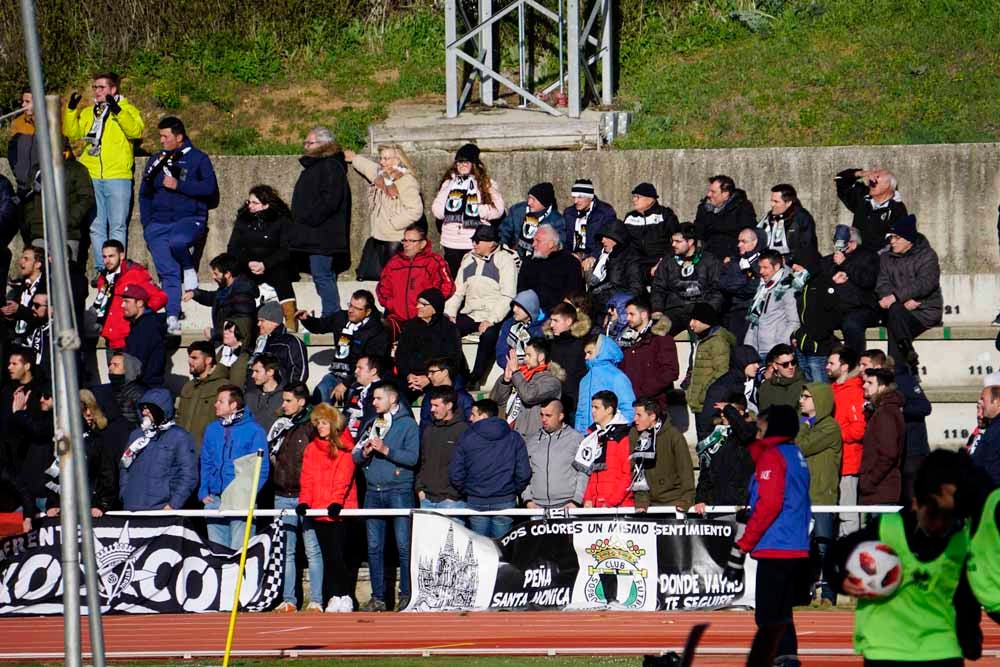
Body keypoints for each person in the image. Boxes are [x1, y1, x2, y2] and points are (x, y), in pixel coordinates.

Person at [827, 450, 983, 666]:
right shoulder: (886, 527)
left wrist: (970, 639)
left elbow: (966, 597)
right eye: (934, 513)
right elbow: (836, 553)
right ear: (916, 503)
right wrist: (840, 580)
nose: (941, 523)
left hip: (941, 650)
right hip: (885, 649)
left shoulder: (961, 540)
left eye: (950, 516)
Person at [734, 404, 811, 667]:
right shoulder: (794, 454)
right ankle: (786, 657)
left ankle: (775, 659)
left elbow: (769, 505)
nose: (759, 429)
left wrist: (744, 544)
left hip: (777, 543)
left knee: (767, 613)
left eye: (763, 425)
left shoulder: (774, 456)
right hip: (794, 542)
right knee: (781, 611)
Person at [139, 116, 218, 335]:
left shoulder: (198, 159)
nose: (161, 141)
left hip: (188, 220)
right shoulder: (156, 159)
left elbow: (210, 189)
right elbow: (145, 194)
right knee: (168, 274)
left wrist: (180, 185)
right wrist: (148, 225)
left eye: (165, 136)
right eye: (160, 136)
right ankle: (172, 315)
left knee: (178, 242)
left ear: (179, 137)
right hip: (158, 225)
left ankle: (188, 266)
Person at [63, 72, 145, 273]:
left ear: (113, 89)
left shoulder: (128, 109)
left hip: (117, 175)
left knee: (117, 225)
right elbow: (73, 133)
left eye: (101, 87)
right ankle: (102, 268)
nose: (96, 91)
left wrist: (117, 110)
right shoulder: (91, 111)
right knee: (96, 226)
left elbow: (136, 131)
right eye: (95, 87)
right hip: (92, 174)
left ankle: (116, 268)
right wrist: (71, 110)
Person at [353, 382, 420, 611]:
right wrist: (364, 453)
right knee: (374, 547)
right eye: (372, 399)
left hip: (399, 490)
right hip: (373, 491)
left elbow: (412, 459)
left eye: (378, 398)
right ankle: (378, 597)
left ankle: (407, 595)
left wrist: (386, 450)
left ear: (393, 399)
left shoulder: (409, 425)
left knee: (404, 546)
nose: (373, 402)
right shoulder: (373, 423)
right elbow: (355, 457)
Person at [297, 403, 358, 613]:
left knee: (341, 555)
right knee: (328, 557)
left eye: (323, 423)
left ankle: (346, 595)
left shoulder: (345, 447)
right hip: (319, 511)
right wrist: (305, 501)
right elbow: (307, 478)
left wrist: (336, 502)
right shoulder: (311, 449)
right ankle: (333, 595)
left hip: (339, 511)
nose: (319, 427)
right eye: (317, 423)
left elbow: (344, 478)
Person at [268, 382, 320, 612]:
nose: (284, 405)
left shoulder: (313, 426)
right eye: (283, 400)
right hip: (282, 494)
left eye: (288, 400)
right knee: (286, 551)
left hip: (306, 496)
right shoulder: (282, 425)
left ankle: (317, 599)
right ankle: (289, 599)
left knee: (312, 549)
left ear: (301, 401)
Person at [288, 127, 351, 317]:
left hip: (323, 235)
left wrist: (309, 218)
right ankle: (330, 314)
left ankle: (331, 315)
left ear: (324, 144)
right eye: (305, 143)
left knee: (322, 275)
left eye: (310, 143)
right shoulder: (318, 165)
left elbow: (330, 200)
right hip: (315, 234)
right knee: (322, 275)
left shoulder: (330, 165)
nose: (306, 146)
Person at [200, 385, 269, 550]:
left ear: (233, 405)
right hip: (214, 499)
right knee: (218, 553)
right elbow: (206, 462)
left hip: (241, 501)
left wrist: (248, 495)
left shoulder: (254, 431)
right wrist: (203, 490)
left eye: (220, 401)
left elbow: (262, 467)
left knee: (239, 553)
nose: (215, 404)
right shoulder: (212, 429)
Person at [450, 399, 531, 537]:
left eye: (473, 414)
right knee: (502, 548)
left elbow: (456, 473)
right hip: (505, 500)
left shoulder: (466, 437)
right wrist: (511, 490)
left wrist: (469, 491)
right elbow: (523, 472)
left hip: (477, 500)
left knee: (480, 549)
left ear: (483, 416)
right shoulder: (514, 437)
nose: (470, 418)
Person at [861, 349, 932, 504]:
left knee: (911, 501)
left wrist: (898, 409)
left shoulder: (903, 380)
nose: (861, 369)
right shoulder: (877, 399)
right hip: (899, 451)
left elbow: (925, 407)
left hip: (913, 450)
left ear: (878, 366)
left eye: (864, 365)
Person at [344, 144, 424, 280]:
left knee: (394, 278)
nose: (382, 162)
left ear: (397, 160)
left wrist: (393, 223)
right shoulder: (383, 176)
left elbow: (415, 211)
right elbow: (369, 168)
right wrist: (354, 158)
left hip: (395, 239)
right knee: (384, 279)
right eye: (381, 158)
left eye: (386, 159)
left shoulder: (406, 180)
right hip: (380, 236)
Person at [876, 214, 942, 373]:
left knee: (894, 322)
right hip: (898, 310)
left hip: (924, 310)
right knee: (895, 315)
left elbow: (926, 283)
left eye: (896, 237)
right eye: (891, 237)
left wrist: (896, 297)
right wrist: (899, 302)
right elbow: (882, 284)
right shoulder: (886, 257)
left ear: (909, 239)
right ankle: (906, 358)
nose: (892, 241)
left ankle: (896, 373)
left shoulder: (927, 255)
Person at [298, 290, 389, 406]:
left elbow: (372, 363)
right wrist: (306, 319)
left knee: (354, 402)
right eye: (350, 305)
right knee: (319, 393)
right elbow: (320, 326)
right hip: (336, 374)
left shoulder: (377, 331)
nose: (351, 310)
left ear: (368, 312)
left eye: (357, 308)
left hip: (359, 378)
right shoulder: (341, 317)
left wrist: (346, 384)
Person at [797, 383, 842, 607]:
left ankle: (828, 595)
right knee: (803, 548)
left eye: (806, 397)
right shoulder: (804, 424)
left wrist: (803, 427)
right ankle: (804, 593)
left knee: (825, 548)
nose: (801, 400)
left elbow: (800, 446)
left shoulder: (830, 428)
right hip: (804, 498)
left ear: (820, 401)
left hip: (822, 497)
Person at [227, 185, 297, 326]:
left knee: (281, 277)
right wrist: (248, 263)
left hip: (273, 265)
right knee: (240, 282)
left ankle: (291, 319)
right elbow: (233, 248)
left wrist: (265, 264)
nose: (250, 206)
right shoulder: (243, 220)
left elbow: (286, 250)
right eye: (249, 202)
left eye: (255, 203)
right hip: (248, 266)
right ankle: (241, 322)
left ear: (266, 205)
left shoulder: (281, 221)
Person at [431, 143, 506, 277]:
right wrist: (453, 208)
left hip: (473, 241)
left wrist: (474, 210)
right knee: (454, 279)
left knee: (473, 277)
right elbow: (437, 209)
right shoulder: (449, 183)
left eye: (466, 162)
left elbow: (498, 210)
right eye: (459, 162)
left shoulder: (486, 183)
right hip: (451, 241)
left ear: (474, 163)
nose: (462, 165)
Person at [119, 388, 198, 511]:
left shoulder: (179, 436)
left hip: (161, 508)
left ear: (161, 409)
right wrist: (124, 493)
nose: (144, 412)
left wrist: (173, 504)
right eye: (143, 408)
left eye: (149, 408)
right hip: (132, 506)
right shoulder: (136, 436)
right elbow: (124, 466)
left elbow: (188, 474)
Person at [19, 138, 94, 261]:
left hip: (67, 233)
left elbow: (86, 198)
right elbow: (27, 198)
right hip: (40, 232)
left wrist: (69, 221)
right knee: (39, 272)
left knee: (67, 273)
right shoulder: (37, 170)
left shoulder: (77, 170)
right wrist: (32, 221)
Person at [376, 223, 455, 337]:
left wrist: (432, 306)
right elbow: (382, 287)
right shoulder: (394, 263)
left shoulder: (434, 261)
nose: (406, 245)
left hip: (422, 319)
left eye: (411, 241)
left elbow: (448, 286)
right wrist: (391, 304)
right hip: (397, 318)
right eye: (404, 240)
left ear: (422, 243)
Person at [90, 240, 167, 352]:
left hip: (130, 340)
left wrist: (141, 313)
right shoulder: (103, 278)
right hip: (110, 341)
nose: (107, 260)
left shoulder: (135, 273)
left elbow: (161, 297)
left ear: (121, 255)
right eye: (104, 257)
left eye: (111, 256)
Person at [445, 223, 519, 339]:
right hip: (470, 314)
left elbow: (508, 295)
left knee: (488, 336)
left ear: (490, 243)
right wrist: (449, 314)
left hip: (493, 315)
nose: (474, 244)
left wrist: (491, 320)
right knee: (447, 332)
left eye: (477, 241)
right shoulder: (468, 259)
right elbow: (457, 292)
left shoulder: (505, 259)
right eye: (473, 240)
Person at [651, 223, 723, 337]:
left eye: (678, 241)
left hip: (699, 310)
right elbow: (658, 287)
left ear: (690, 242)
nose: (673, 244)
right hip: (673, 311)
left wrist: (707, 313)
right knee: (656, 335)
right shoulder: (668, 260)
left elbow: (718, 290)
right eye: (672, 241)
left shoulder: (710, 260)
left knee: (706, 338)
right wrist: (657, 310)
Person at [395, 288, 465, 400]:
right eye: (418, 303)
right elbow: (401, 356)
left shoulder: (449, 329)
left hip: (437, 377)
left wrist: (429, 378)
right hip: (412, 378)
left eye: (423, 304)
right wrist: (408, 375)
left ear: (434, 308)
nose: (418, 307)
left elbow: (453, 359)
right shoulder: (410, 327)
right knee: (395, 395)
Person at [827, 346, 868, 536]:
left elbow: (858, 429)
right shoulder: (834, 389)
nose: (827, 366)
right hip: (834, 461)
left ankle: (850, 554)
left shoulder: (854, 391)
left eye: (831, 363)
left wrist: (833, 435)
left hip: (848, 463)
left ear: (844, 367)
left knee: (848, 513)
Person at [821, 225, 880, 355]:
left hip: (860, 308)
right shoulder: (828, 261)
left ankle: (855, 363)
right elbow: (819, 284)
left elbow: (868, 281)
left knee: (851, 325)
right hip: (835, 307)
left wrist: (845, 264)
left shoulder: (868, 257)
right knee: (816, 322)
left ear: (852, 242)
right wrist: (833, 281)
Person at [693, 391, 757, 509]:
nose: (723, 415)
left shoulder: (750, 432)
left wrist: (729, 409)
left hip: (740, 503)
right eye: (722, 411)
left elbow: (745, 432)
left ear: (740, 413)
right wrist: (700, 498)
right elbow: (705, 469)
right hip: (715, 503)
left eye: (727, 411)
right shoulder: (715, 436)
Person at [630, 398, 695, 511]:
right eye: (634, 415)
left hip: (673, 500)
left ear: (652, 416)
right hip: (648, 502)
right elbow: (637, 471)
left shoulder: (673, 435)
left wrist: (686, 501)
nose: (635, 419)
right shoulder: (634, 434)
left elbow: (685, 469)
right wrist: (641, 502)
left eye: (639, 415)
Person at [491, 337, 564, 439]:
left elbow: (529, 396)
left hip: (531, 440)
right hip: (506, 433)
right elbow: (495, 401)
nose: (525, 359)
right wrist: (506, 381)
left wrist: (516, 373)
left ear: (541, 357)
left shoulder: (551, 382)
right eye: (525, 355)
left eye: (529, 355)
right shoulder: (519, 374)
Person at [618, 296, 679, 415]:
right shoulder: (626, 340)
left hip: (653, 405)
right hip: (630, 403)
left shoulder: (661, 339)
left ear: (644, 314)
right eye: (627, 314)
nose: (627, 318)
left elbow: (670, 371)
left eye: (631, 314)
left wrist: (643, 391)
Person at [522, 399, 587, 509]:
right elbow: (524, 473)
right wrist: (528, 499)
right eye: (541, 415)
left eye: (548, 415)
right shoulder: (532, 440)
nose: (544, 419)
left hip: (567, 507)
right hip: (537, 508)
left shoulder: (576, 438)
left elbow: (583, 473)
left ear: (560, 416)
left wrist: (576, 501)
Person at [685, 303, 736, 440]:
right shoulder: (701, 340)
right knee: (702, 439)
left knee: (708, 439)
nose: (691, 324)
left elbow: (722, 372)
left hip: (709, 403)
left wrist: (705, 393)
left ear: (705, 320)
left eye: (695, 320)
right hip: (699, 403)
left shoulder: (717, 341)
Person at [76, 389, 131, 516]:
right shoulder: (68, 439)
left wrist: (102, 504)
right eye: (83, 409)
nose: (88, 413)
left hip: (98, 506)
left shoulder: (104, 437)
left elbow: (108, 474)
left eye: (91, 408)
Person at [184, 252, 259, 344]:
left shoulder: (242, 294)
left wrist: (214, 333)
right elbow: (213, 298)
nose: (213, 277)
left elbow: (241, 326)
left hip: (236, 347)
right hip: (224, 342)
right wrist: (195, 294)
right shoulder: (226, 289)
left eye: (216, 274)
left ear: (227, 274)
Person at [576, 391, 633, 508]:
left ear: (609, 410)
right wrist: (587, 498)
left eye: (596, 407)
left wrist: (610, 502)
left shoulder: (623, 435)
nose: (592, 411)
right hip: (597, 506)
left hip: (618, 507)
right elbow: (591, 473)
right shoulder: (593, 437)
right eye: (592, 407)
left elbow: (627, 474)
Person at [416, 386, 470, 510]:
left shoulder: (463, 431)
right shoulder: (429, 430)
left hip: (452, 502)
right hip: (426, 499)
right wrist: (420, 490)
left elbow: (469, 466)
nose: (431, 409)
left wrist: (455, 495)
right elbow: (423, 462)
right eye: (431, 405)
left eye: (436, 405)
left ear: (449, 405)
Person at [791, 251, 841, 382]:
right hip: (802, 346)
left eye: (798, 265)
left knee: (820, 388)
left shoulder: (823, 283)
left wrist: (816, 338)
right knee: (807, 388)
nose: (793, 269)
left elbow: (832, 315)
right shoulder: (800, 285)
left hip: (817, 348)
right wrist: (796, 335)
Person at [743, 250, 800, 362]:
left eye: (765, 267)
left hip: (774, 350)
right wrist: (748, 346)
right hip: (757, 349)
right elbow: (754, 320)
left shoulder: (787, 286)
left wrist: (780, 347)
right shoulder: (763, 286)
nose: (761, 271)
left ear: (777, 266)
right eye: (760, 267)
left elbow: (794, 321)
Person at [860, 368, 905, 506]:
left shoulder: (885, 413)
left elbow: (888, 454)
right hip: (879, 491)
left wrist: (869, 481)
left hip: (881, 492)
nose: (864, 385)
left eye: (870, 382)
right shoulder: (882, 410)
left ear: (882, 387)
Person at [175, 340, 231, 452]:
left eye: (195, 358)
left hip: (208, 453)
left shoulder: (223, 386)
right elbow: (179, 418)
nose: (189, 361)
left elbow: (227, 423)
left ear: (208, 360)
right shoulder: (188, 386)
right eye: (189, 357)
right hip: (183, 452)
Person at [515, 224, 586, 312]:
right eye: (533, 240)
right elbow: (521, 290)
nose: (533, 245)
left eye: (538, 241)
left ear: (551, 244)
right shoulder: (529, 262)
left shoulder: (570, 263)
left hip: (555, 314)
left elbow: (572, 295)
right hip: (527, 311)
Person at [834, 167, 907, 251]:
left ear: (887, 185)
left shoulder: (897, 210)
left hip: (878, 258)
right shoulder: (863, 197)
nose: (871, 181)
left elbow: (894, 243)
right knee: (842, 231)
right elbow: (840, 179)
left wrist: (859, 248)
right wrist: (862, 173)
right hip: (854, 255)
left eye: (877, 178)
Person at [575, 334, 636, 432]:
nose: (586, 357)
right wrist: (578, 434)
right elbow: (580, 412)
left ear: (601, 352)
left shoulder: (617, 377)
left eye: (590, 352)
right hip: (587, 439)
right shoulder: (584, 380)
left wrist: (616, 432)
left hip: (610, 437)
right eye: (585, 354)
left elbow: (629, 409)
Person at [585, 220, 644, 318]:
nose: (603, 240)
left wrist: (613, 304)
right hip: (598, 305)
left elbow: (635, 289)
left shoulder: (631, 259)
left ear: (617, 238)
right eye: (602, 237)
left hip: (615, 309)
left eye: (607, 237)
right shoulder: (604, 256)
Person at [544, 302, 590, 426]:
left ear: (568, 321)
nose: (551, 325)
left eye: (556, 321)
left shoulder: (583, 344)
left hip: (575, 406)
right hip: (553, 404)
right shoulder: (551, 343)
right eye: (551, 320)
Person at [620, 182, 679, 278]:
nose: (634, 200)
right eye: (633, 197)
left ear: (650, 199)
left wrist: (663, 262)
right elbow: (623, 242)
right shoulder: (630, 217)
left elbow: (677, 241)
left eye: (637, 197)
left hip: (660, 262)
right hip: (636, 264)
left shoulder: (665, 215)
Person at [694, 174, 757, 263]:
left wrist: (734, 257)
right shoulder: (704, 208)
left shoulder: (743, 208)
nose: (708, 194)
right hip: (707, 257)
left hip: (731, 258)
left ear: (725, 194)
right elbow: (698, 232)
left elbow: (748, 236)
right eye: (709, 191)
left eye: (713, 192)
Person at [700, 344, 761, 436]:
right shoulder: (722, 387)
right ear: (742, 362)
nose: (757, 366)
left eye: (757, 362)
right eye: (752, 362)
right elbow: (707, 420)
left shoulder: (750, 382)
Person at [500, 182, 567, 261]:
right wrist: (504, 248)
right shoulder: (518, 210)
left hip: (539, 260)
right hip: (515, 256)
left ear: (544, 203)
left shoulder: (557, 221)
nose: (529, 202)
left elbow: (558, 245)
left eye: (533, 200)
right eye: (529, 198)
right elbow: (504, 231)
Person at [756, 184, 817, 269]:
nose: (772, 204)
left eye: (776, 201)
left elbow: (807, 247)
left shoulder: (802, 218)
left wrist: (787, 259)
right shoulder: (768, 218)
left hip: (795, 265)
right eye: (771, 201)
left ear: (788, 203)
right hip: (770, 264)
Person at [719, 227, 762, 342]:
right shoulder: (734, 262)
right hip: (733, 310)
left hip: (750, 310)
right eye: (739, 241)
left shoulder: (761, 262)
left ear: (755, 242)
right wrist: (744, 281)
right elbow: (723, 283)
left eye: (744, 241)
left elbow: (754, 287)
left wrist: (738, 285)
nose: (739, 245)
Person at [121, 284, 167, 390]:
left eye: (127, 301)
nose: (122, 305)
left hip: (144, 388)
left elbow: (135, 365)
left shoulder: (146, 327)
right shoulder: (140, 324)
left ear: (140, 303)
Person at [563, 178, 617, 265]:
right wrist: (569, 254)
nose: (575, 201)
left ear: (590, 197)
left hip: (594, 256)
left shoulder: (605, 212)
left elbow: (608, 240)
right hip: (573, 256)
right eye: (574, 197)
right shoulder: (569, 212)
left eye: (580, 197)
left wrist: (594, 257)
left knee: (589, 273)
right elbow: (565, 240)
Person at [253, 301, 308, 385]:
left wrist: (289, 392)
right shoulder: (262, 341)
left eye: (262, 320)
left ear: (274, 322)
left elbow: (299, 371)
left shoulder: (290, 342)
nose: (258, 324)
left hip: (281, 394)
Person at [492, 289, 545, 376]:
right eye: (513, 306)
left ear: (530, 309)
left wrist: (522, 370)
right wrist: (511, 367)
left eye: (519, 307)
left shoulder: (542, 328)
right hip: (511, 371)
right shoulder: (509, 324)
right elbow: (501, 351)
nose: (514, 309)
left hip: (535, 375)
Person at [418, 357, 473, 436]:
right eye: (428, 373)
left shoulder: (463, 397)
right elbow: (424, 424)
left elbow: (471, 422)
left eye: (432, 372)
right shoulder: (428, 397)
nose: (429, 376)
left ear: (445, 373)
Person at [2, 246, 46, 344]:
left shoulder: (46, 288)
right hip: (17, 343)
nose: (21, 262)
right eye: (22, 258)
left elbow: (41, 317)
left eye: (26, 259)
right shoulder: (19, 288)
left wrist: (19, 310)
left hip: (36, 343)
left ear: (38, 264)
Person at [92, 351, 144, 427]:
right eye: (110, 364)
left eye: (115, 365)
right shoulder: (106, 391)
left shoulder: (137, 393)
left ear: (127, 369)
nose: (110, 368)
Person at [343, 355, 386, 439]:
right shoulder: (356, 390)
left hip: (366, 441)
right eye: (356, 368)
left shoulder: (384, 392)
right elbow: (344, 416)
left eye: (360, 368)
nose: (355, 371)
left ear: (373, 371)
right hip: (347, 438)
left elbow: (379, 421)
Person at [758, 344, 805, 413]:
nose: (791, 367)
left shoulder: (804, 386)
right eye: (785, 364)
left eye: (793, 362)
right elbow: (764, 415)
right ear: (775, 366)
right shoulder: (765, 387)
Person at [246, 353, 283, 436]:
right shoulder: (250, 396)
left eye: (257, 371)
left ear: (270, 372)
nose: (253, 375)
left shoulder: (284, 397)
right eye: (253, 371)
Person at [972, 385, 1000, 487]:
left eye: (983, 400)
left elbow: (978, 462)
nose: (981, 404)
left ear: (996, 402)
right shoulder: (991, 426)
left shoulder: (995, 429)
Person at [217, 319, 251, 388]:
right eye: (225, 330)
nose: (225, 333)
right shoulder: (220, 352)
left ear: (240, 333)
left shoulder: (245, 356)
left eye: (230, 331)